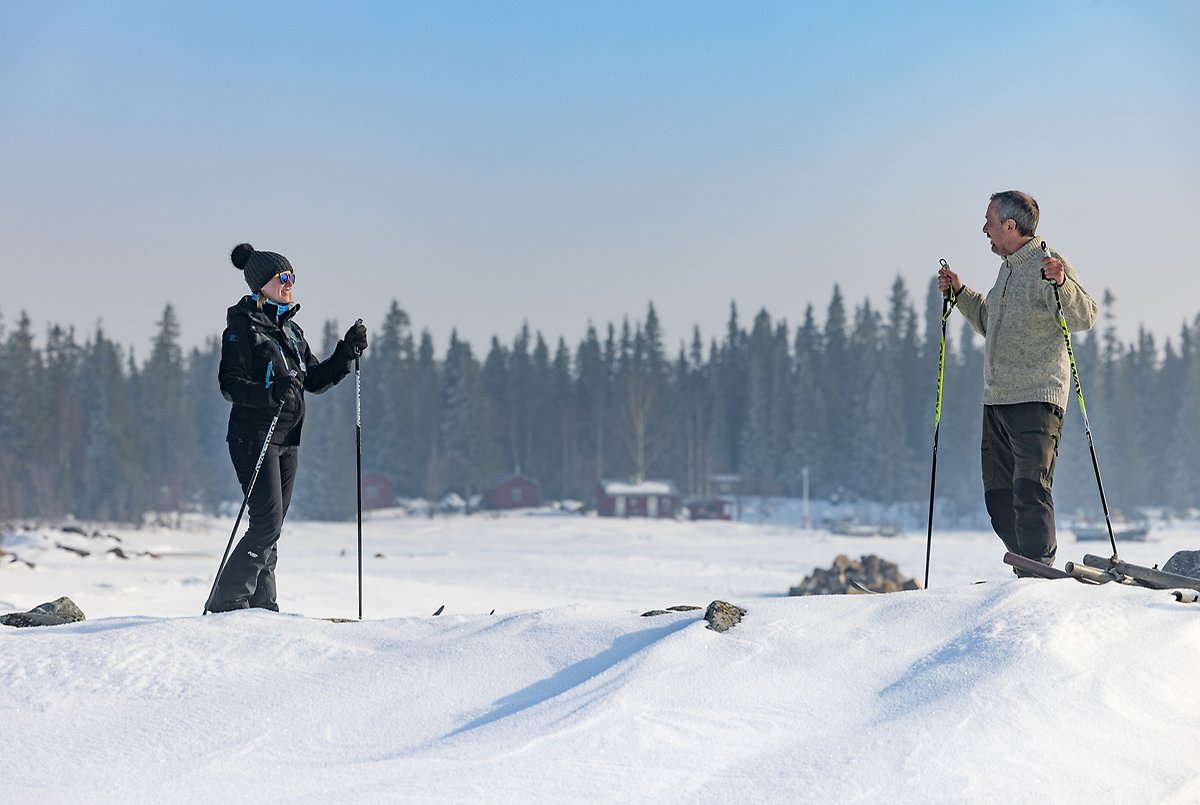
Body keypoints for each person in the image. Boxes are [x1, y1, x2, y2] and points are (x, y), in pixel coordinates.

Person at [937, 191, 1098, 570]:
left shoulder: (1048, 263)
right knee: (998, 500)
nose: (984, 229)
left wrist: (1062, 284)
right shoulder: (1007, 269)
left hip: (1036, 400)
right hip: (997, 401)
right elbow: (989, 322)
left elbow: (1085, 316)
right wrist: (960, 293)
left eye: (989, 222)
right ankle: (1031, 566)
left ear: (1010, 226)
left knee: (1030, 491)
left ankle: (1039, 572)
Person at [207, 242, 368, 612]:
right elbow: (229, 384)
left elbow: (313, 379)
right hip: (253, 437)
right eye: (283, 277)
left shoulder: (291, 331)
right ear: (261, 283)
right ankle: (228, 601)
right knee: (266, 523)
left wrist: (346, 353)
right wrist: (270, 392)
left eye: (292, 277)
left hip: (287, 440)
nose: (289, 283)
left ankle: (263, 605)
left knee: (271, 527)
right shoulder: (241, 326)